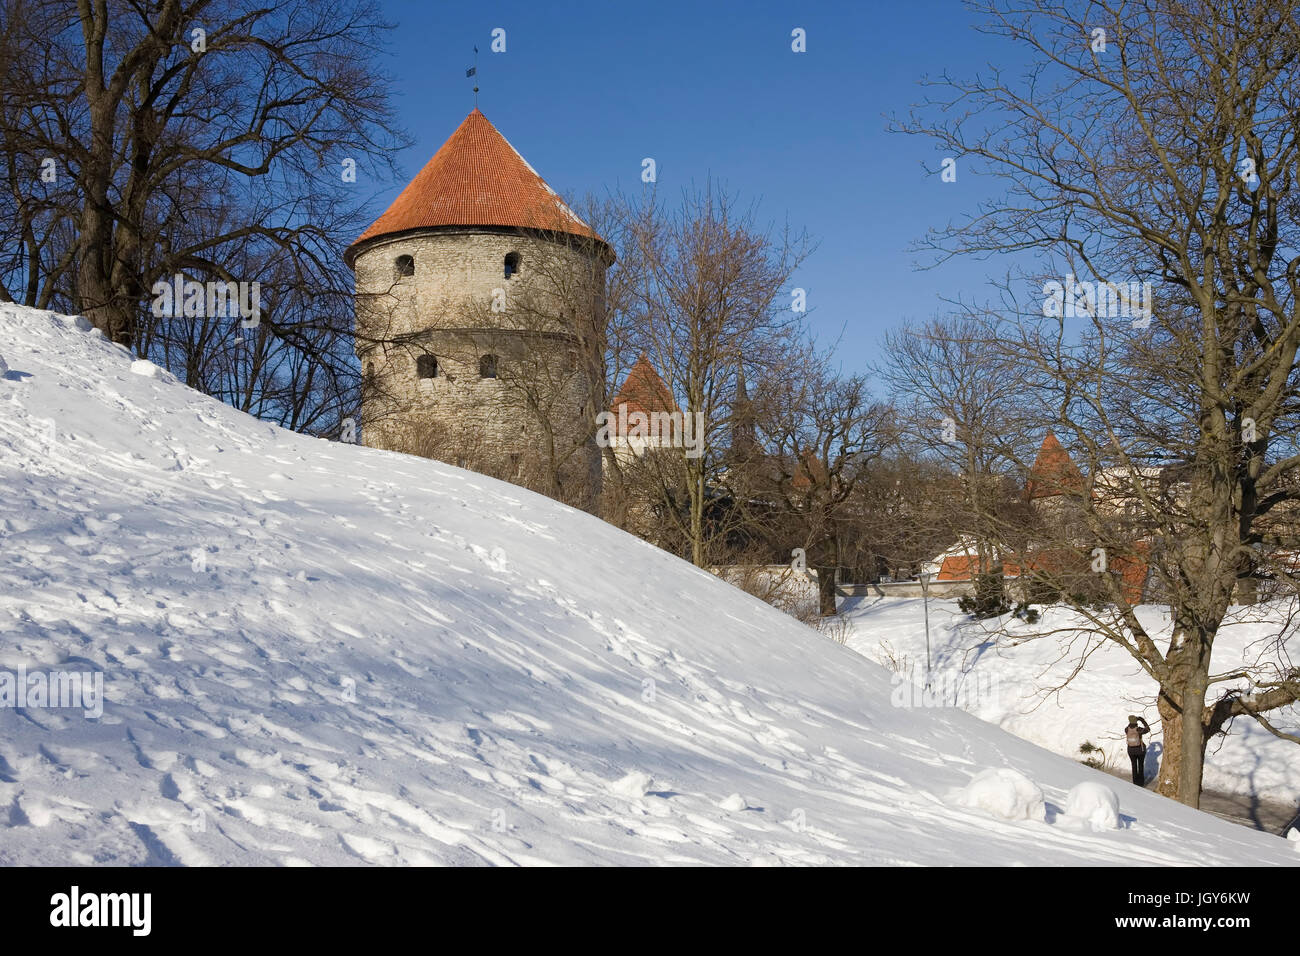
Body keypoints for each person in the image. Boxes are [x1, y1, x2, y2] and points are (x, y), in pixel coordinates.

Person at [1125, 714, 1151, 785]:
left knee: (1134, 766)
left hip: (1130, 751)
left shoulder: (1126, 729)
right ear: (1136, 721)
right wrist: (1142, 720)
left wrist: (1133, 721)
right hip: (1140, 750)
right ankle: (1141, 783)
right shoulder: (1139, 729)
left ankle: (1135, 782)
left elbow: (1130, 726)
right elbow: (1148, 729)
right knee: (1140, 765)